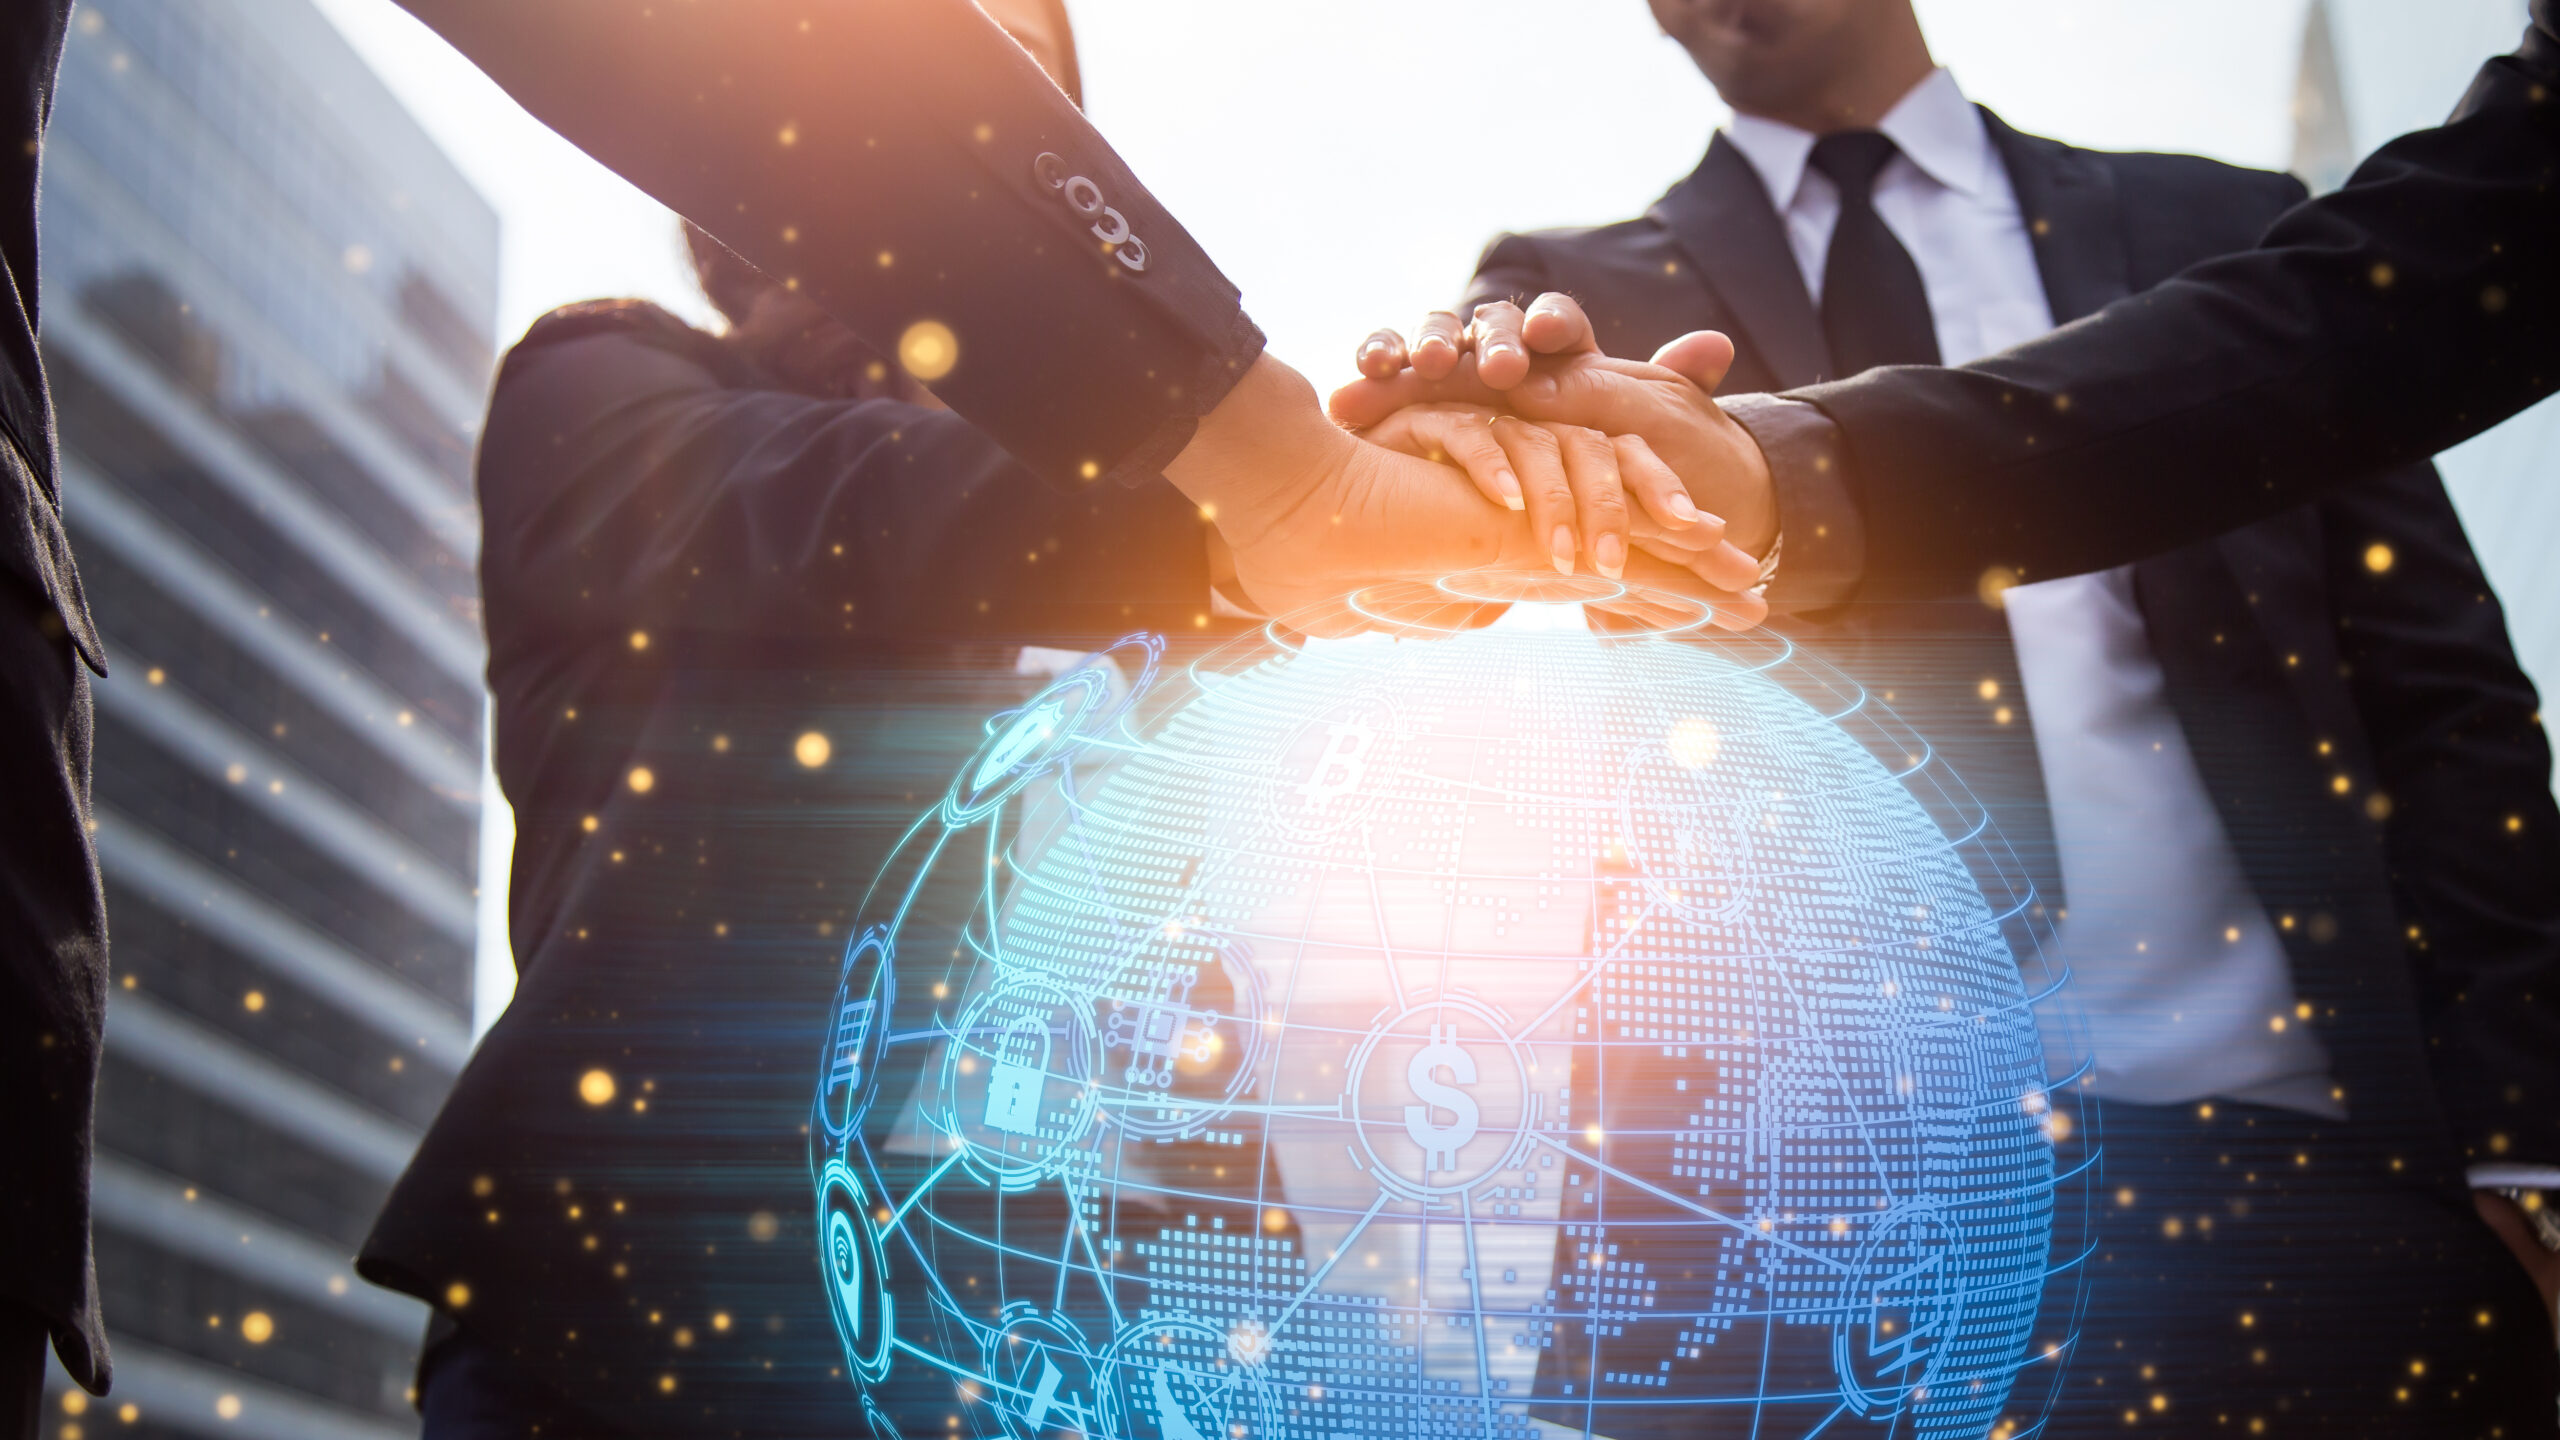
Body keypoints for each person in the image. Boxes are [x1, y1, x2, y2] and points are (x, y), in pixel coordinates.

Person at [1339, 0, 2560, 1430]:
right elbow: (1492, 539)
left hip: (2302, 1168)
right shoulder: (1567, 301)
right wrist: (1449, 476)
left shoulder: (2231, 226)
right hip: (1817, 1222)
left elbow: (2439, 694)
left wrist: (2520, 1138)